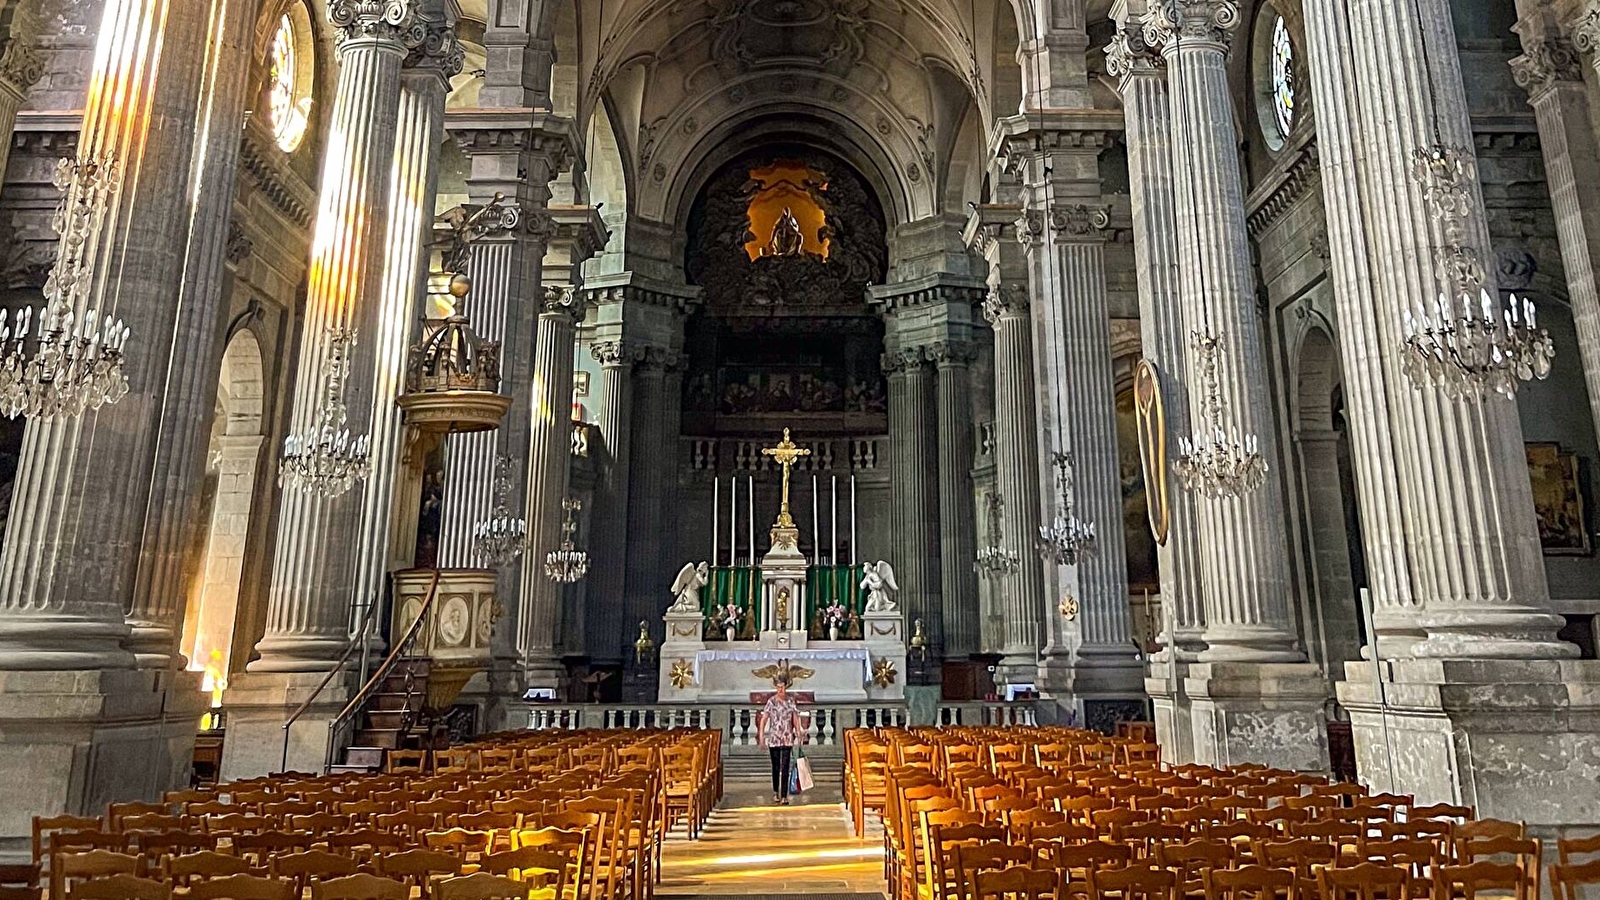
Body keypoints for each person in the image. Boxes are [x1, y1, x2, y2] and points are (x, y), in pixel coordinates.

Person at [756, 674, 804, 805]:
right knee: (776, 767)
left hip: (787, 737)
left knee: (785, 766)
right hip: (774, 738)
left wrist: (798, 731)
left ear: (785, 688)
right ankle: (775, 792)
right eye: (778, 688)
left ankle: (784, 795)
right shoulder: (771, 701)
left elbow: (795, 717)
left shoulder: (790, 701)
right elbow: (764, 718)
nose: (780, 690)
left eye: (782, 688)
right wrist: (761, 736)